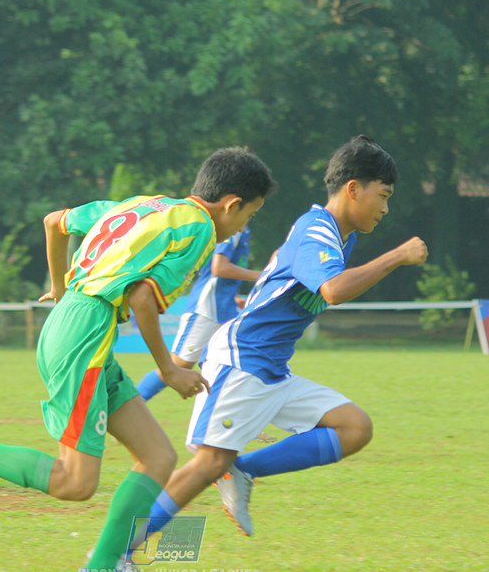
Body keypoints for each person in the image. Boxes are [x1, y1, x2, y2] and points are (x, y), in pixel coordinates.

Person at [0, 147, 276, 572]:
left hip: (77, 323)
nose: (245, 226)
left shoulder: (144, 205)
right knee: (75, 482)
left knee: (158, 457)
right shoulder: (200, 229)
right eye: (251, 214)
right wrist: (168, 370)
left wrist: (58, 285)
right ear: (230, 204)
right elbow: (142, 297)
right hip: (83, 337)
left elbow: (55, 221)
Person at [134, 135, 426, 545]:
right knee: (207, 464)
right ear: (353, 188)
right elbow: (333, 291)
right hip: (243, 359)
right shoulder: (317, 231)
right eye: (383, 195)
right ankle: (112, 557)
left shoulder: (340, 236)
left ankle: (245, 469)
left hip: (271, 367)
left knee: (354, 427)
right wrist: (397, 256)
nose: (385, 207)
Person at [134, 226, 260, 402]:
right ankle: (128, 406)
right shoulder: (235, 227)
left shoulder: (242, 226)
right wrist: (263, 275)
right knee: (178, 365)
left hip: (226, 307)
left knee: (238, 365)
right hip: (207, 308)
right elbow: (219, 267)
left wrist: (234, 296)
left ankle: (243, 427)